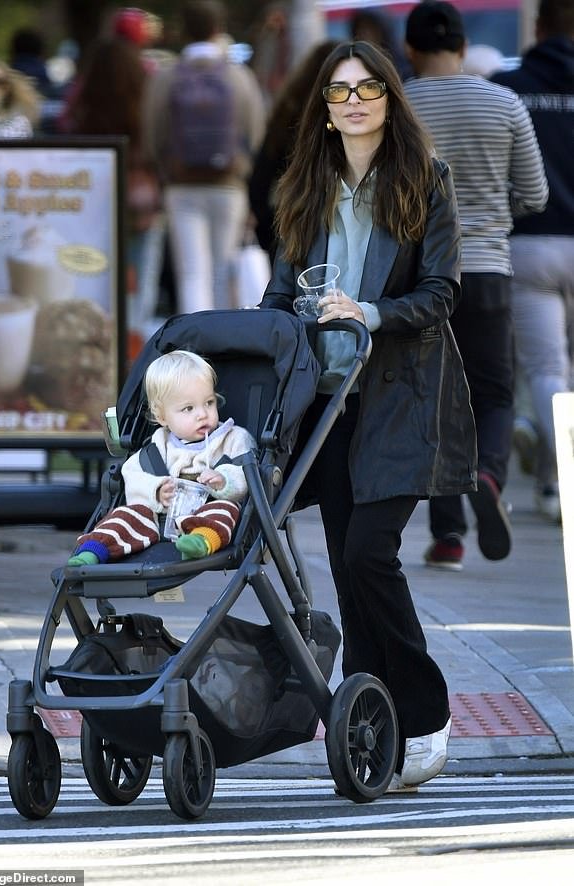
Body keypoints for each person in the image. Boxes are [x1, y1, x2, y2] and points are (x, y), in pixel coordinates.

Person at [259, 40, 476, 790]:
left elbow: (444, 293)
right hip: (326, 403)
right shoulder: (305, 189)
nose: (354, 101)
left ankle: (424, 712)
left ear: (390, 98)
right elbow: (281, 295)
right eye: (339, 92)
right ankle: (368, 720)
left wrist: (371, 312)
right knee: (350, 575)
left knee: (367, 556)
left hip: (401, 395)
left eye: (369, 88)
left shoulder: (425, 180)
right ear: (322, 111)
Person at [403, 1, 548, 571]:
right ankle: (488, 473)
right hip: (488, 268)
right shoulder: (505, 102)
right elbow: (535, 195)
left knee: (438, 403)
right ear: (463, 47)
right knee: (493, 393)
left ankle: (448, 538)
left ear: (410, 51)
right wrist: (491, 211)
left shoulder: (400, 106)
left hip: (423, 277)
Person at [491, 0, 574, 524]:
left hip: (531, 241)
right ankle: (551, 481)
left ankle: (557, 479)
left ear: (538, 27)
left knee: (546, 371)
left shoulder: (510, 87)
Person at [68, 350, 256, 566]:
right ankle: (93, 550)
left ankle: (200, 542)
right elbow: (132, 477)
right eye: (188, 408)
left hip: (205, 516)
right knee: (125, 514)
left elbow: (247, 477)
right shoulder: (157, 446)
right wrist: (155, 490)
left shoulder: (232, 439)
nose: (203, 414)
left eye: (209, 402)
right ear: (162, 416)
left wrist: (224, 481)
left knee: (226, 509)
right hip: (157, 522)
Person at [142, 0, 266, 313]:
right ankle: (223, 348)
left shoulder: (166, 78)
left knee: (192, 273)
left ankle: (194, 350)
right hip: (228, 184)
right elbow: (256, 131)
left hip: (181, 185)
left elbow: (152, 134)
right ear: (217, 29)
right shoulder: (238, 77)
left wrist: (165, 167)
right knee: (223, 270)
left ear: (184, 31)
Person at [60, 35, 164, 352]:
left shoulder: (84, 102)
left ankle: (100, 346)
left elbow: (65, 130)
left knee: (97, 275)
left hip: (94, 201)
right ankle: (134, 348)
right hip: (142, 204)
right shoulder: (146, 97)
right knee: (140, 282)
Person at [248, 39, 339, 259]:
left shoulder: (288, 113)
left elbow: (259, 180)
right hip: (334, 225)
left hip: (292, 224)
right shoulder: (344, 118)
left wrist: (271, 228)